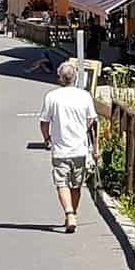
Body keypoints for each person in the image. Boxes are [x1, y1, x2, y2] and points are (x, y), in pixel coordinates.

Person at [38, 60, 99, 233]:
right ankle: (73, 213)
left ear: (59, 78)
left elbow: (44, 122)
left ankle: (69, 212)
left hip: (60, 149)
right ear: (75, 78)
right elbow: (92, 121)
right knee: (76, 185)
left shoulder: (52, 96)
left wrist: (47, 138)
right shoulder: (84, 96)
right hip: (80, 148)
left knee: (61, 183)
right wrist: (95, 146)